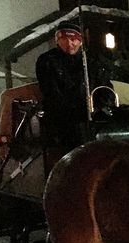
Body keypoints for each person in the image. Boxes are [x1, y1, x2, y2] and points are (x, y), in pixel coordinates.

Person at [35, 21, 110, 153]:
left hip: (93, 119)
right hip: (62, 122)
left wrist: (101, 106)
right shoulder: (47, 61)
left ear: (80, 41)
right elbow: (52, 94)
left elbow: (104, 87)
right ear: (57, 41)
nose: (69, 44)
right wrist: (78, 110)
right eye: (64, 39)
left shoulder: (91, 61)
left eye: (73, 39)